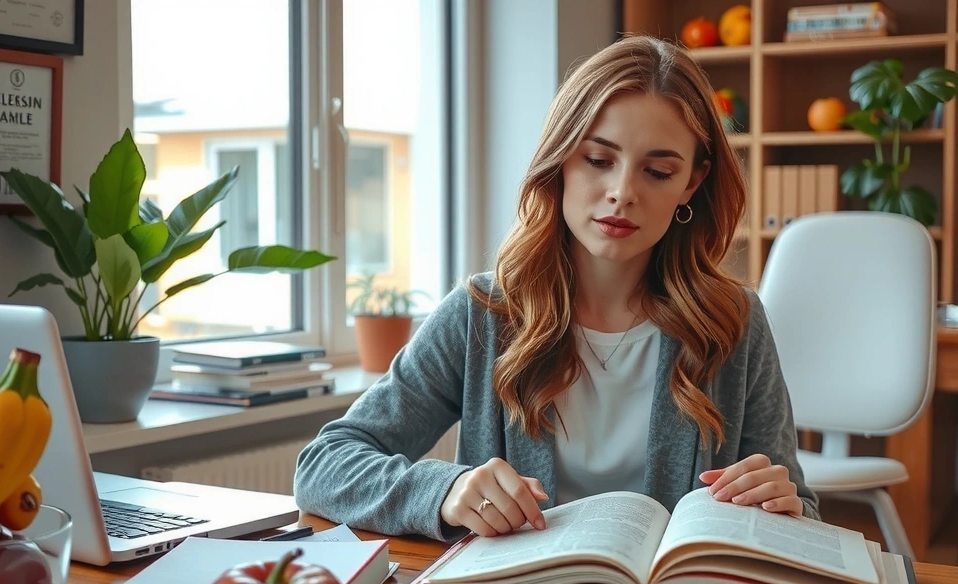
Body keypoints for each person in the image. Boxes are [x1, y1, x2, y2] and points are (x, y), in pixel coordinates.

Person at [294, 34, 819, 541]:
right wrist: (447, 489)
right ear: (561, 159)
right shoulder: (484, 315)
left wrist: (781, 508)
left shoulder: (734, 322)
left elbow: (800, 510)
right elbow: (324, 466)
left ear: (692, 182)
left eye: (657, 171)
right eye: (598, 160)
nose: (622, 193)